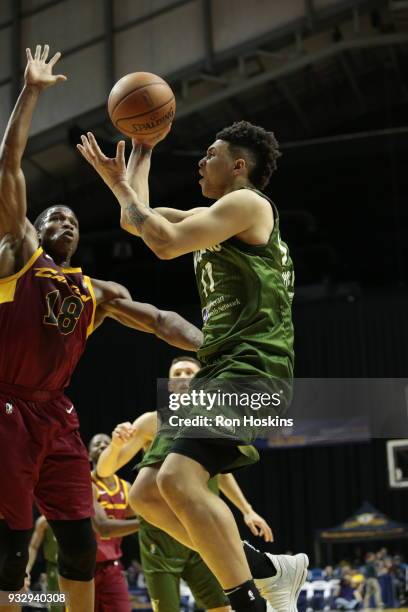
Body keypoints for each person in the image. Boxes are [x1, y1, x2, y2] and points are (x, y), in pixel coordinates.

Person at [0, 45, 202, 612]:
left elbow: (161, 321)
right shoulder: (18, 257)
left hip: (57, 412)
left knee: (81, 541)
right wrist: (31, 91)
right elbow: (8, 167)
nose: (64, 220)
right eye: (52, 217)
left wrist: (212, 345)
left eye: (72, 219)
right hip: (8, 406)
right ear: (33, 232)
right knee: (13, 550)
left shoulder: (98, 294)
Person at [78, 111, 307, 610]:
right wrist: (140, 154)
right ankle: (268, 567)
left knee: (179, 479)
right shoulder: (216, 218)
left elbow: (161, 242)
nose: (201, 162)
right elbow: (136, 220)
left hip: (253, 366)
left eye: (212, 155)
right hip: (220, 367)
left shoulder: (246, 204)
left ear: (240, 166)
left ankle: (252, 601)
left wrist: (125, 190)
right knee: (146, 495)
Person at [97, 355, 274, 612]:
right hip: (162, 536)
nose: (182, 377)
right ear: (169, 384)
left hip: (201, 529)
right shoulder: (151, 421)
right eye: (176, 374)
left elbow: (222, 473)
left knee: (223, 608)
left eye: (189, 372)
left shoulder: (212, 419)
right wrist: (115, 446)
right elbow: (104, 469)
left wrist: (247, 509)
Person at [89, 433, 141, 612]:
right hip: (83, 566)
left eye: (106, 442)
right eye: (97, 444)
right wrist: (146, 523)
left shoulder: (126, 487)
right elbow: (103, 528)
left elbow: (148, 512)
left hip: (111, 567)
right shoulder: (86, 484)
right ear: (89, 455)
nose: (102, 445)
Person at [26, 517, 62, 612]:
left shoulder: (80, 515)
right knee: (55, 607)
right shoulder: (44, 521)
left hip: (76, 568)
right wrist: (26, 571)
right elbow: (33, 547)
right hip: (53, 568)